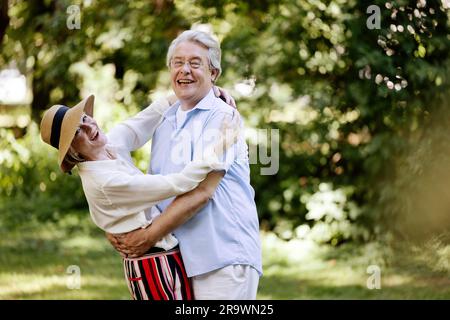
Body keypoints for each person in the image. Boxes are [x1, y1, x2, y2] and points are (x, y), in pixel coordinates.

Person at [40, 90, 239, 300]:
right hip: (150, 265)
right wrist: (221, 145)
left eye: (84, 118)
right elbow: (179, 182)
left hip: (162, 256)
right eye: (78, 131)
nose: (89, 127)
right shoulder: (105, 181)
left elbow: (150, 115)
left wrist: (200, 90)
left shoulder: (109, 146)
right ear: (72, 151)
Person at [107, 30, 263, 300]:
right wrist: (122, 228)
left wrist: (147, 237)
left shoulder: (222, 116)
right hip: (179, 261)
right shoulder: (165, 119)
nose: (185, 70)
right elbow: (156, 190)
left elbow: (201, 192)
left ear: (213, 73)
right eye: (178, 63)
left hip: (222, 257)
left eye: (195, 63)